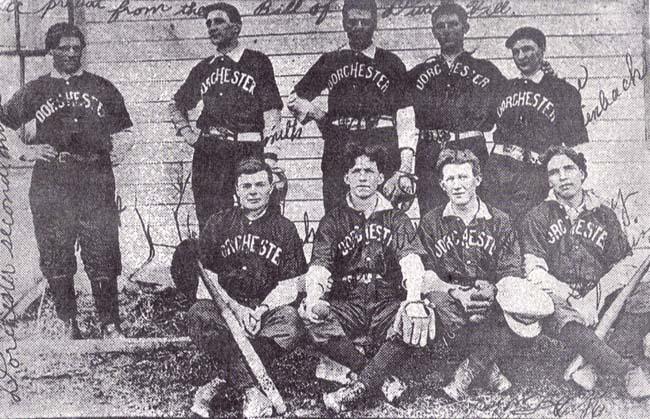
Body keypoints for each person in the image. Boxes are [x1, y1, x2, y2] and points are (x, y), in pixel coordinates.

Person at [0, 22, 133, 339]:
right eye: (64, 47)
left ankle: (109, 324)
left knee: (102, 250)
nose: (72, 53)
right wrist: (26, 153)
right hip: (52, 180)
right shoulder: (34, 90)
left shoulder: (102, 87)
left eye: (77, 48)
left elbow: (125, 133)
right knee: (56, 251)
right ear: (51, 51)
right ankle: (67, 323)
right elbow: (4, 125)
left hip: (95, 179)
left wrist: (109, 162)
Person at [299, 143, 435, 413]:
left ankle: (356, 387)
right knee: (307, 315)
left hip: (385, 303)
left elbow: (411, 261)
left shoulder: (396, 218)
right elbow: (320, 266)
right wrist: (314, 296)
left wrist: (413, 300)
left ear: (381, 177)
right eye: (356, 171)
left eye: (369, 171)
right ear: (346, 177)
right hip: (348, 303)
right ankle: (379, 377)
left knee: (418, 315)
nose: (362, 177)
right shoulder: (333, 220)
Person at [179, 157, 308, 417]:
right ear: (236, 190)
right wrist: (237, 310)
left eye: (260, 185)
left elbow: (290, 286)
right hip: (227, 310)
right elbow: (207, 285)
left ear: (271, 188)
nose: (253, 191)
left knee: (292, 322)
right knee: (198, 315)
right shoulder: (218, 224)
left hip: (265, 315)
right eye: (246, 185)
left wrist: (260, 310)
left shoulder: (284, 229)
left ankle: (221, 381)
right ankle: (251, 391)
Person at [520, 145, 650, 398]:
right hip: (559, 297)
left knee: (646, 296)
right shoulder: (537, 216)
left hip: (600, 294)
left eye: (569, 168)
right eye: (554, 172)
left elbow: (622, 264)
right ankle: (628, 370)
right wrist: (568, 296)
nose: (563, 176)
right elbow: (534, 270)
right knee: (560, 314)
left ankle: (591, 366)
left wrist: (596, 297)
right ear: (548, 180)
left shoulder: (603, 214)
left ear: (582, 173)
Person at [287, 0, 415, 213]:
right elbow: (295, 98)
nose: (358, 26)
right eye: (353, 21)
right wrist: (319, 115)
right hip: (340, 143)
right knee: (338, 211)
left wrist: (405, 167)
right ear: (344, 23)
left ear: (374, 24)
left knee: (382, 213)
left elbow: (405, 115)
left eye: (364, 21)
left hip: (381, 141)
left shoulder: (391, 63)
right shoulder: (331, 60)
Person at [417, 148, 523, 401]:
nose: (457, 185)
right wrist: (457, 293)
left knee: (515, 309)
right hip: (451, 296)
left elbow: (511, 270)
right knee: (438, 302)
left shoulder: (500, 220)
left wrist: (493, 291)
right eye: (450, 179)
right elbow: (425, 274)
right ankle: (489, 369)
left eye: (463, 177)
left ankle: (467, 372)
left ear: (478, 179)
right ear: (442, 185)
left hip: (488, 296)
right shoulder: (431, 222)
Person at [169, 2, 283, 231]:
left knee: (256, 217)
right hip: (210, 152)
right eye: (208, 23)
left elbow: (272, 111)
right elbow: (176, 105)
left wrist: (270, 156)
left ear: (236, 28)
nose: (212, 27)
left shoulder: (257, 62)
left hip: (247, 149)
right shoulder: (204, 68)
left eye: (219, 21)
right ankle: (215, 267)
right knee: (211, 221)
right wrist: (189, 134)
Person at [402, 2, 506, 217]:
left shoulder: (486, 70)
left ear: (465, 28)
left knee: (474, 213)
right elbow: (394, 107)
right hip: (430, 152)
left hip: (471, 148)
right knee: (432, 215)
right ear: (434, 32)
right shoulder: (417, 73)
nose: (447, 30)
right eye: (441, 26)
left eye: (453, 24)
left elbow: (510, 104)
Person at [482, 27, 589, 226]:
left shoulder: (563, 92)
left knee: (528, 229)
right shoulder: (503, 88)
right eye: (516, 52)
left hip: (534, 174)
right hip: (498, 170)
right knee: (494, 227)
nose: (521, 56)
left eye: (527, 49)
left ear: (542, 50)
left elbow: (576, 143)